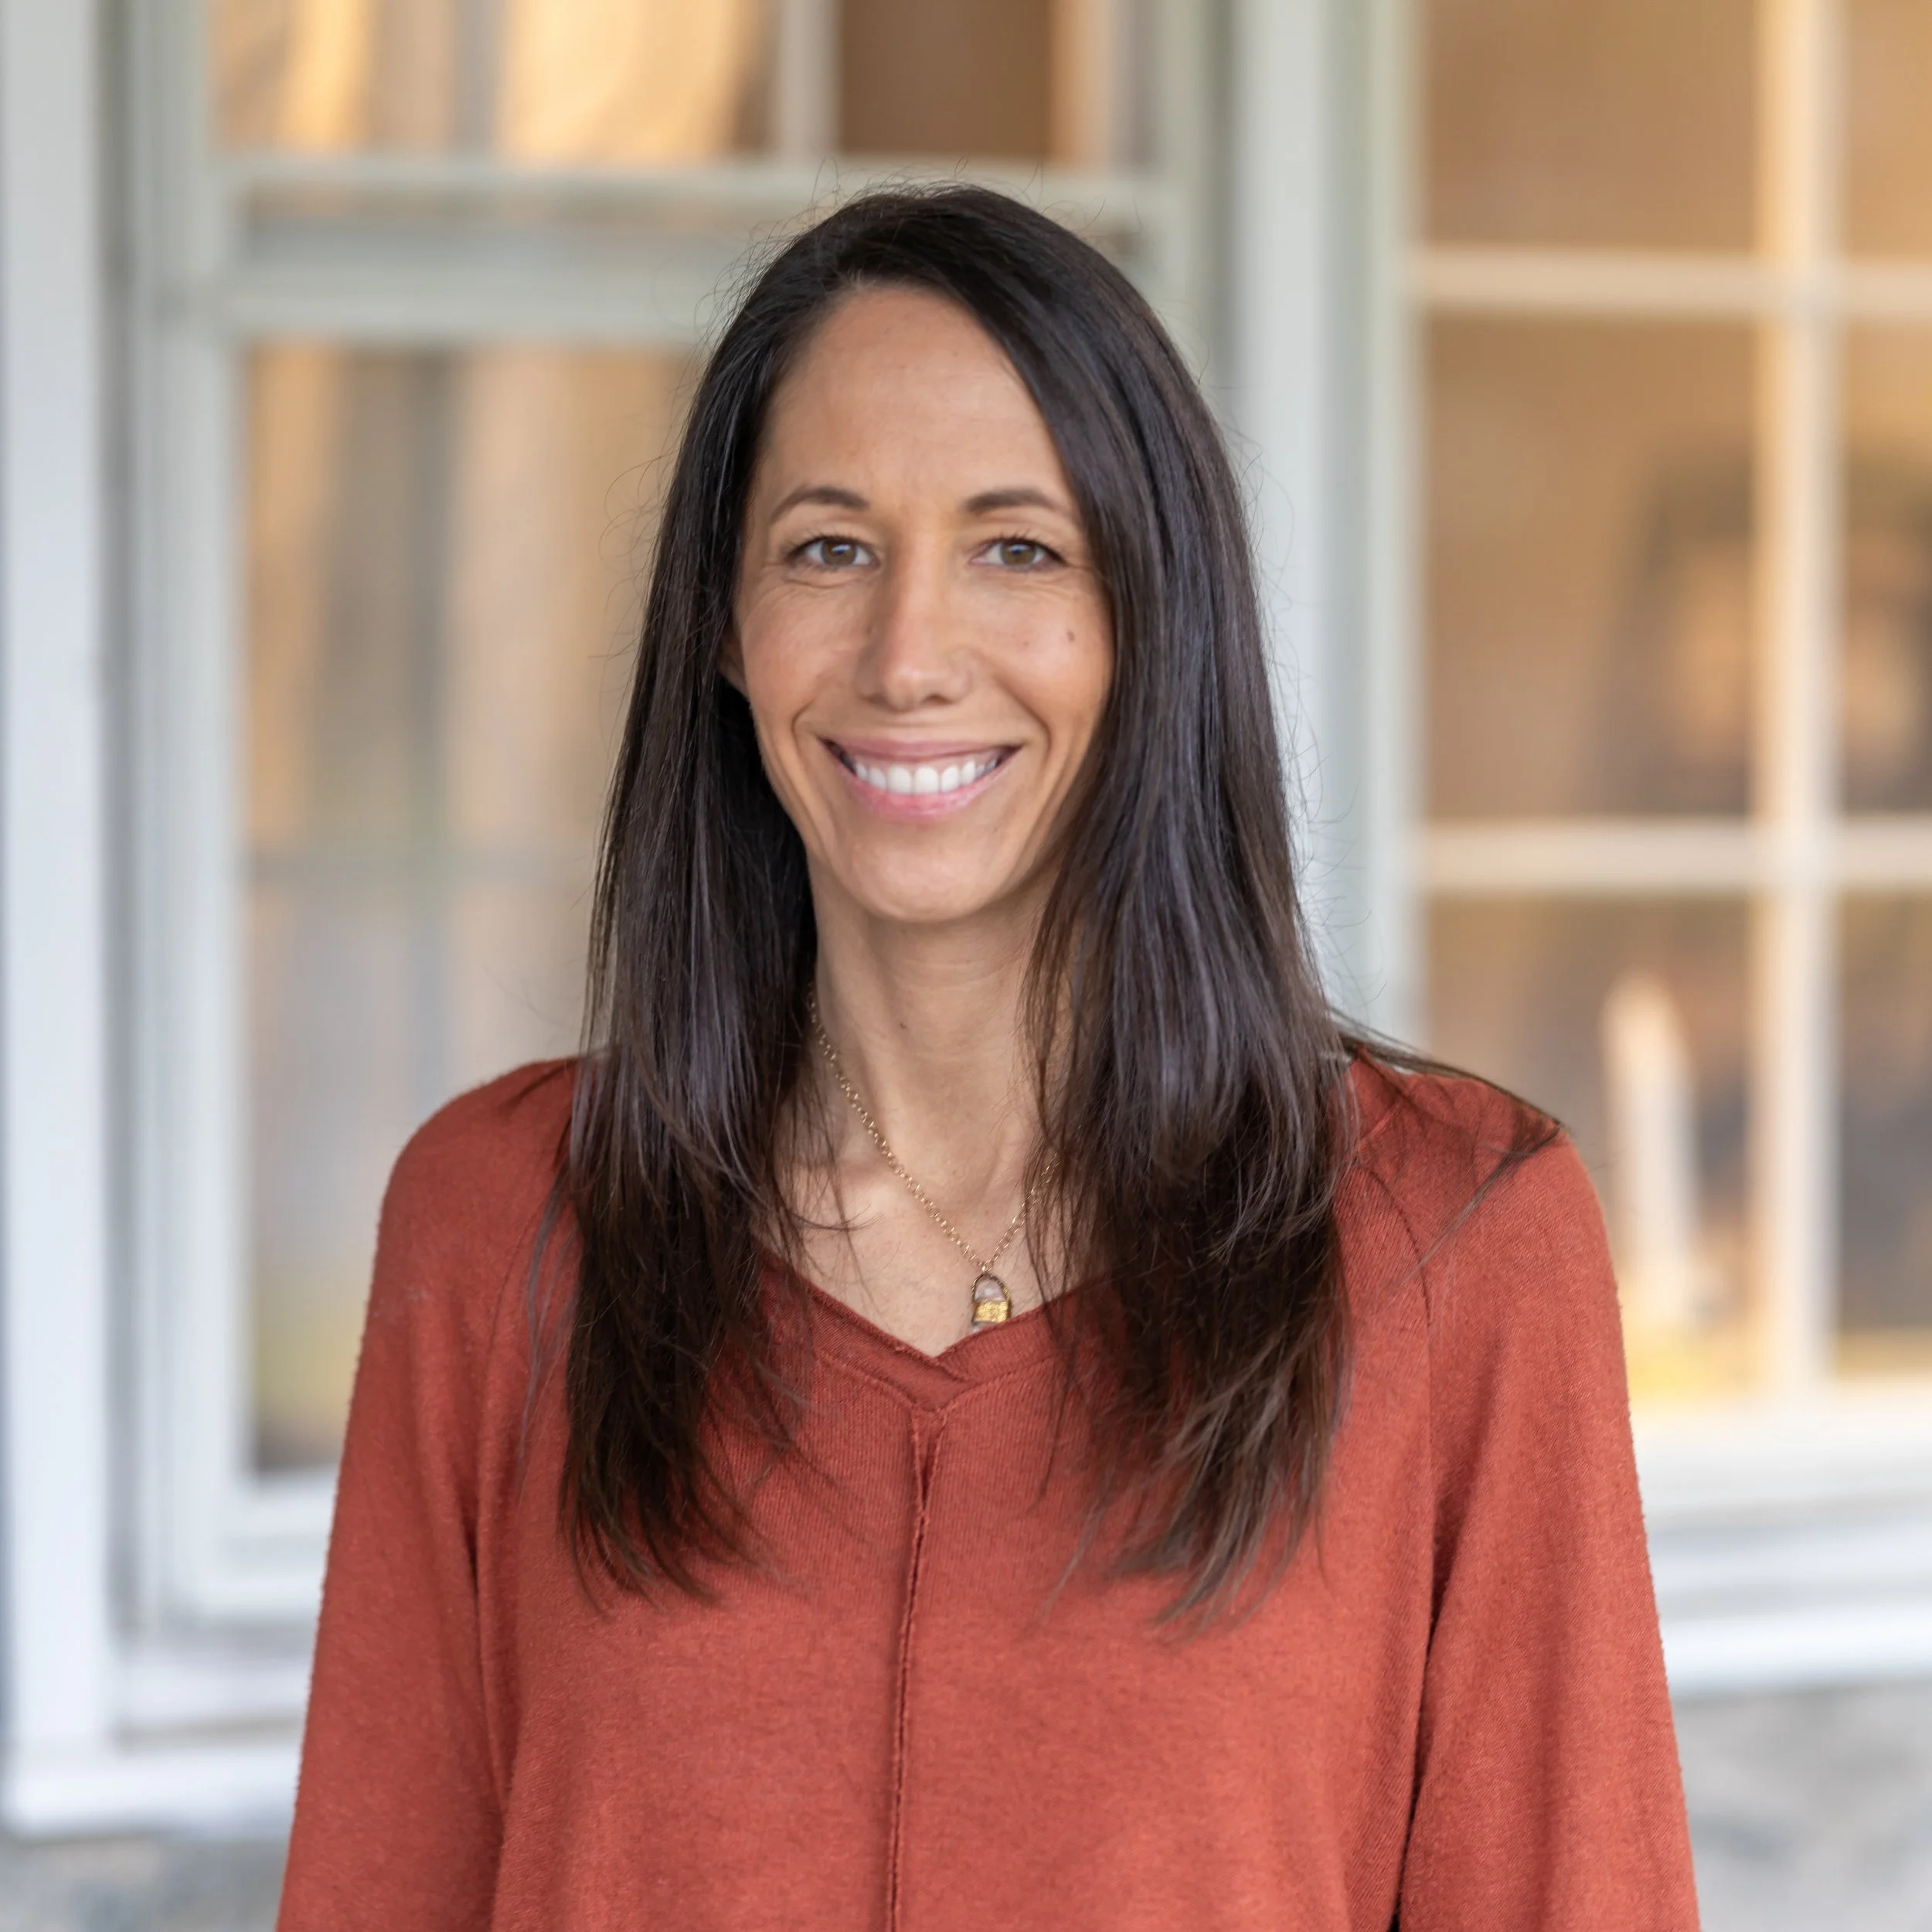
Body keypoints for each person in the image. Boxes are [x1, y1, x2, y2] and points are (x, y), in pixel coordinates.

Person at [277, 185, 1699, 1930]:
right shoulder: (496, 1226)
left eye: (1016, 547)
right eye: (826, 545)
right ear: (722, 628)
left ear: (1145, 622)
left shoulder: (1455, 1243)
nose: (907, 653)